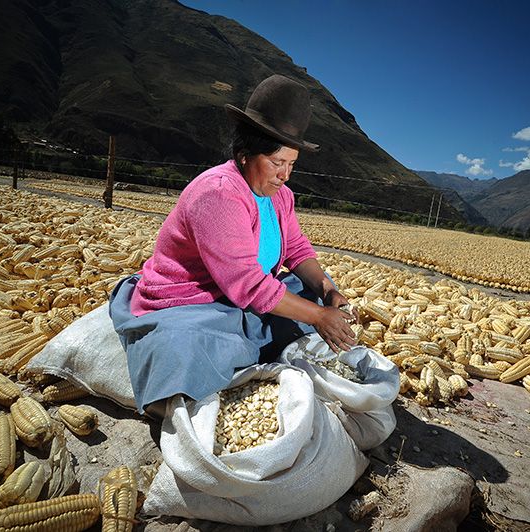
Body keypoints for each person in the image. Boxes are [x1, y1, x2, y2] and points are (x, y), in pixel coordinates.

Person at [109, 74, 358, 416]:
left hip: (239, 298)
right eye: (276, 162)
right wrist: (316, 317)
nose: (285, 174)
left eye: (292, 164)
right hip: (195, 298)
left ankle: (253, 340)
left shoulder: (280, 195)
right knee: (185, 344)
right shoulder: (219, 193)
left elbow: (297, 250)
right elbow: (248, 284)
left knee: (310, 291)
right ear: (245, 153)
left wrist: (327, 291)